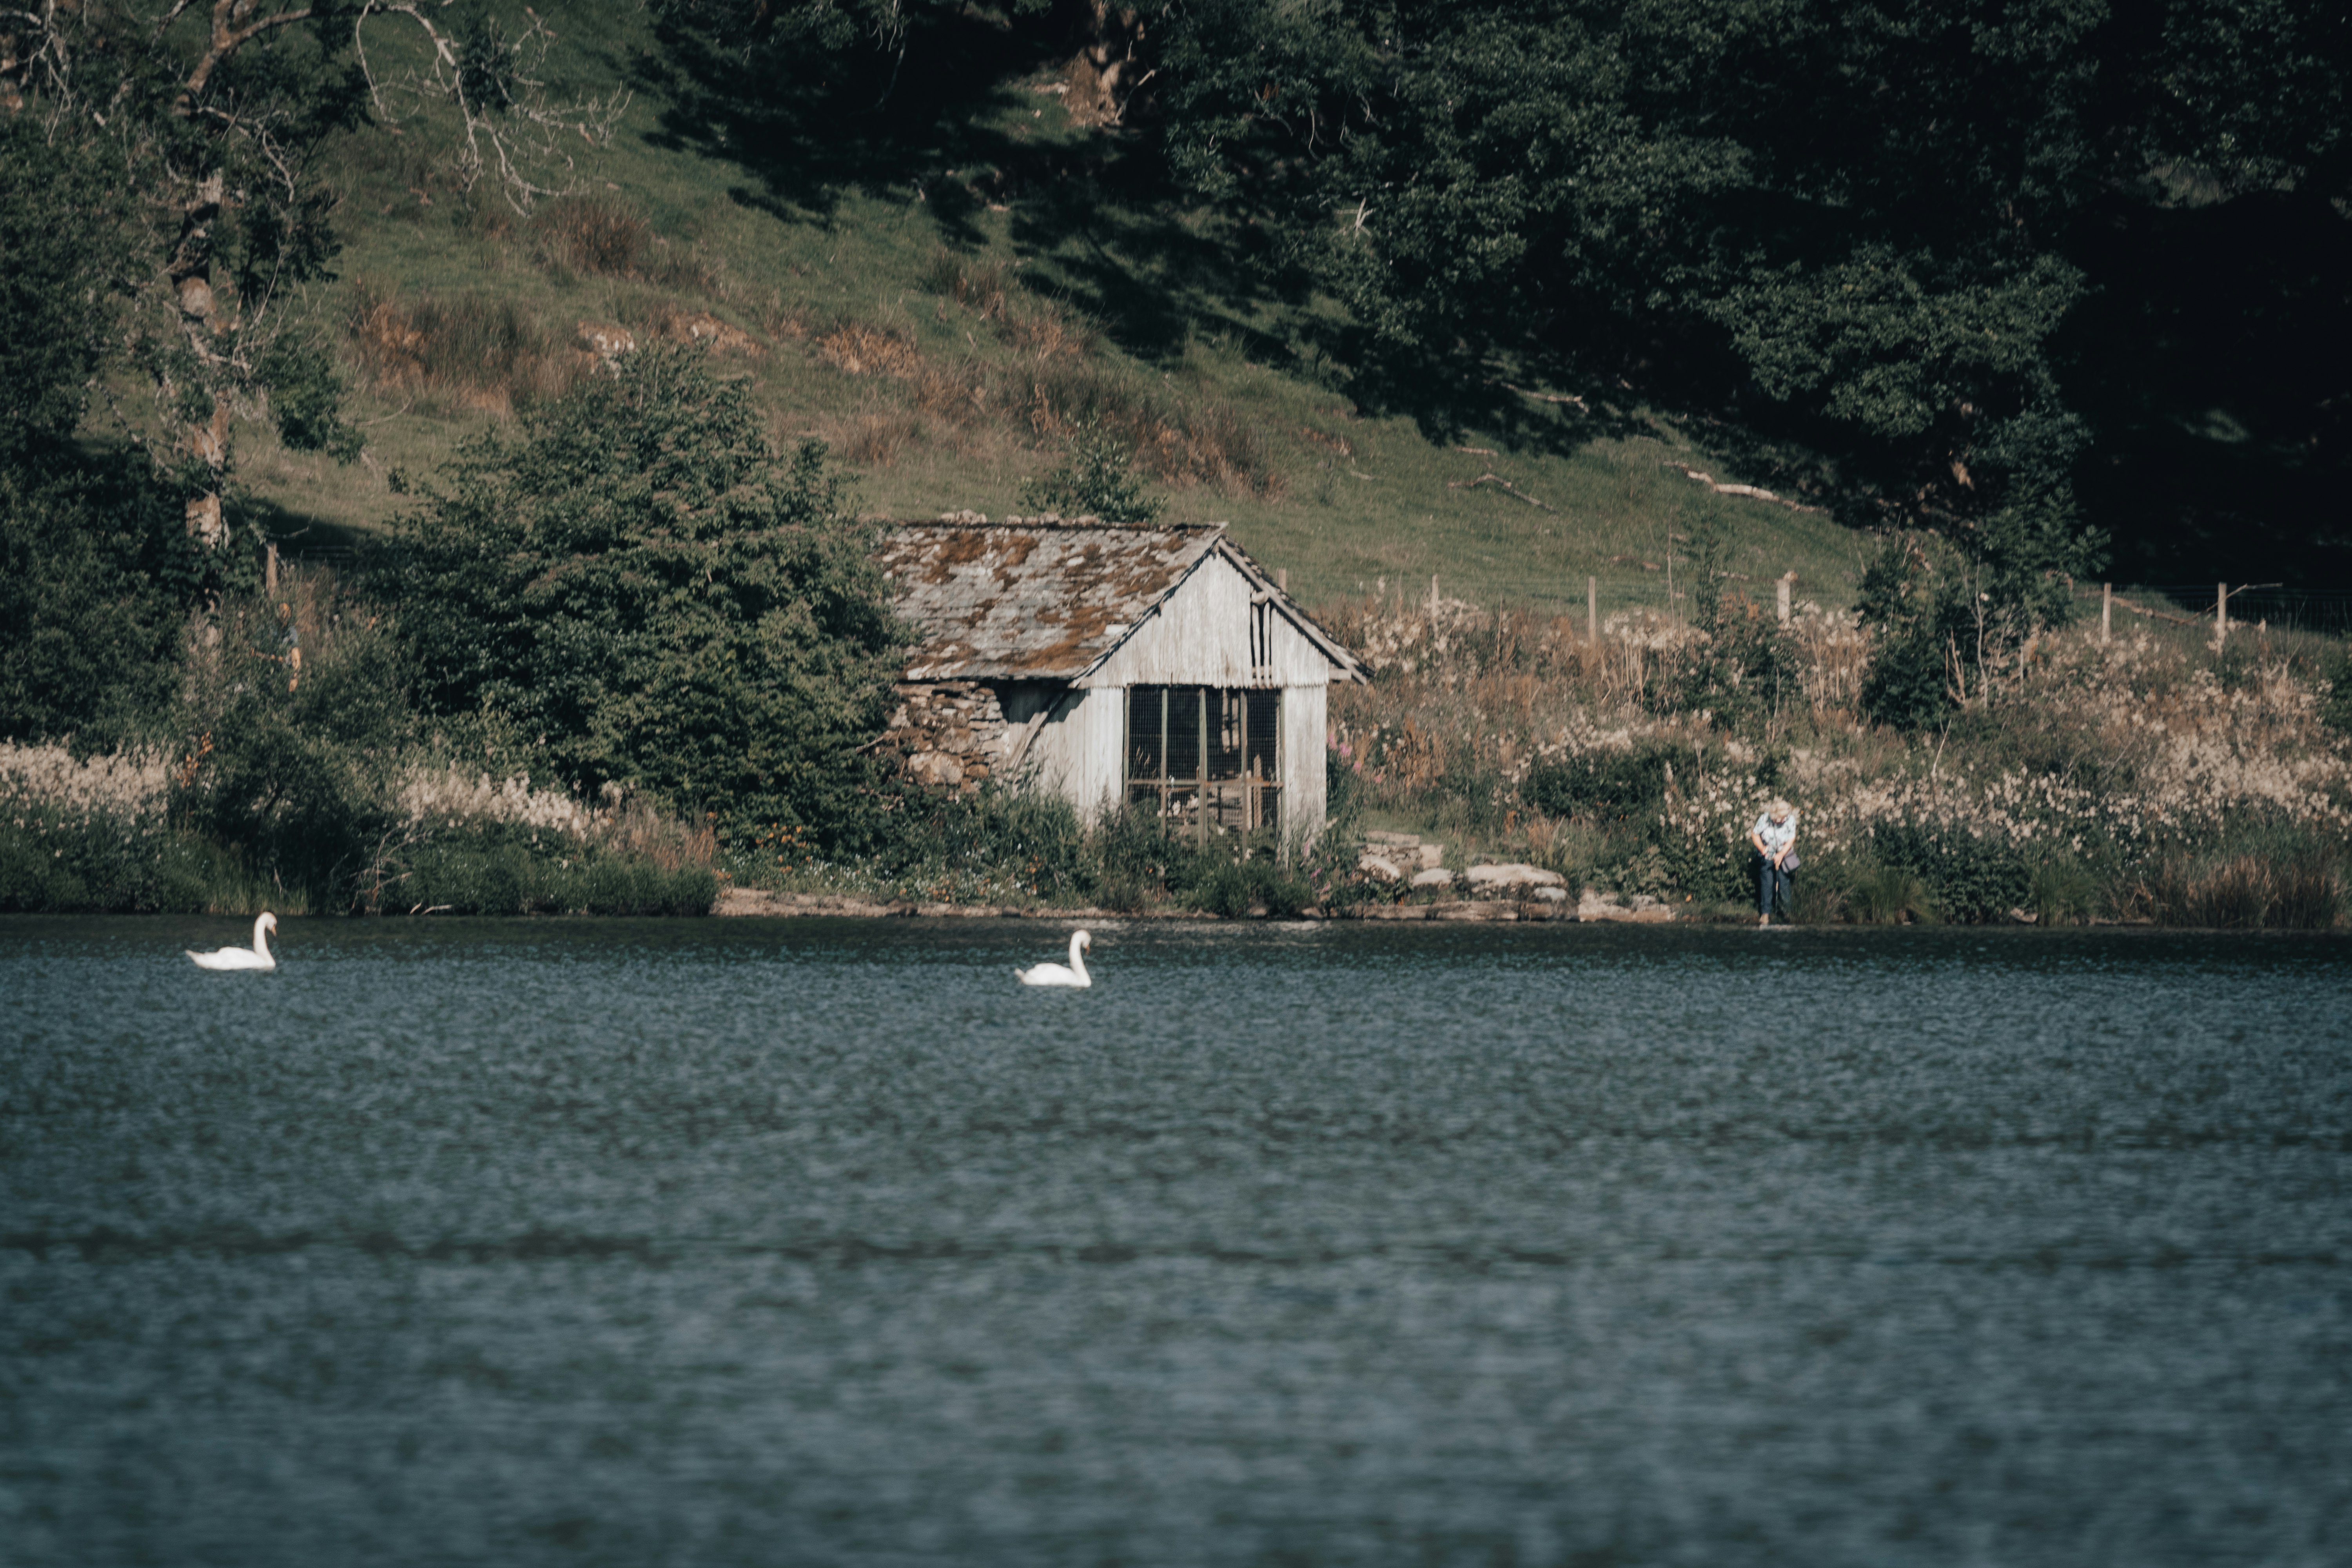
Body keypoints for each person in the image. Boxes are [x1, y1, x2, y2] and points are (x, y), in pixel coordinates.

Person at [1749, 799, 1798, 925]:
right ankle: (1765, 914)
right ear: (1774, 816)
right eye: (1781, 818)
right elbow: (1755, 835)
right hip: (1767, 852)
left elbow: (1792, 837)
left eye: (1785, 817)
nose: (1783, 820)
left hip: (1784, 853)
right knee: (1767, 883)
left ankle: (1787, 913)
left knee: (1784, 883)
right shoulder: (1765, 819)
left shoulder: (1790, 819)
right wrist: (1763, 850)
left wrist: (1781, 855)